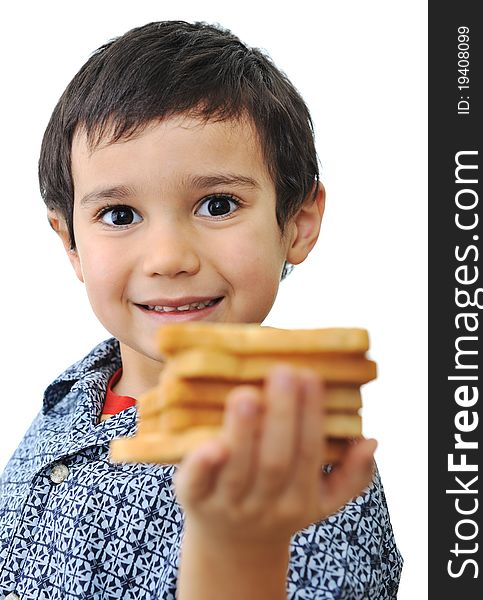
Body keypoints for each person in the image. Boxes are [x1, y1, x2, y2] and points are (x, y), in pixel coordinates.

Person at [0, 20, 402, 600]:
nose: (167, 258)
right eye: (119, 215)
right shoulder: (71, 396)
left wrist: (237, 554)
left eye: (217, 204)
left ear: (298, 224)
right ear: (70, 243)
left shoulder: (294, 455)